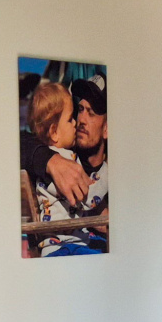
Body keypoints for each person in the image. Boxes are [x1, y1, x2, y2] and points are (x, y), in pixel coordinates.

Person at [23, 82, 105, 256]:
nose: (79, 121)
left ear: (106, 128)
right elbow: (88, 198)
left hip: (68, 244)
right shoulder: (63, 160)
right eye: (78, 111)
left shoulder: (70, 156)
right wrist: (49, 161)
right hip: (65, 246)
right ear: (54, 132)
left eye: (91, 113)